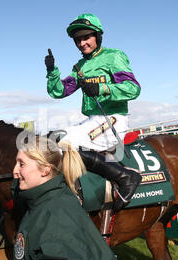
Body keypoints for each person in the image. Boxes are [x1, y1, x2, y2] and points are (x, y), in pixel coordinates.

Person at [44, 13, 142, 213]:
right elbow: (59, 91)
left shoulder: (114, 56)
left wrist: (103, 89)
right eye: (78, 39)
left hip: (114, 120)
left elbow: (133, 88)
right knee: (53, 139)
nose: (82, 43)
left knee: (67, 142)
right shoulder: (80, 66)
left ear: (98, 36)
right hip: (92, 121)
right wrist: (52, 71)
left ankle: (126, 177)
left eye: (86, 37)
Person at [0, 136, 118, 260]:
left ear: (45, 170)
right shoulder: (40, 201)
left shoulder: (56, 214)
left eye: (22, 164)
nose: (14, 171)